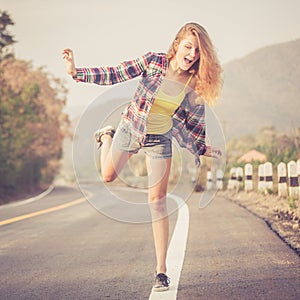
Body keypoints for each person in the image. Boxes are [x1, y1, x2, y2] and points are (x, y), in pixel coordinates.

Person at [62, 22, 223, 292]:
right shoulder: (153, 62)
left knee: (157, 202)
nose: (192, 54)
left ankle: (161, 271)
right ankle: (106, 136)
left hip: (160, 140)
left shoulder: (194, 82)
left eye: (197, 50)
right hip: (130, 128)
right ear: (176, 45)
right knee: (108, 176)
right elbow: (115, 73)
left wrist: (201, 146)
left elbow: (195, 120)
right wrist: (77, 72)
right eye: (188, 47)